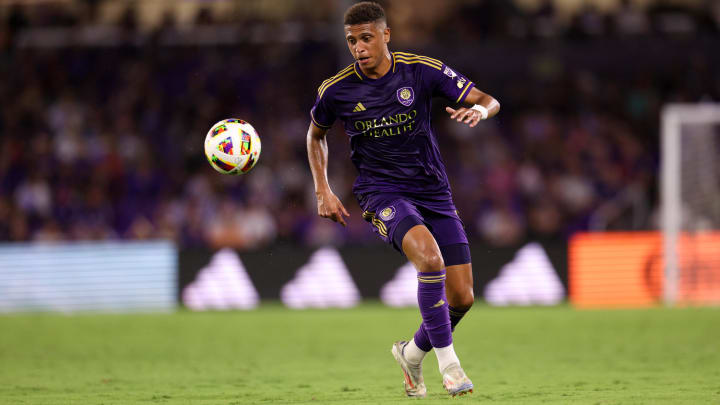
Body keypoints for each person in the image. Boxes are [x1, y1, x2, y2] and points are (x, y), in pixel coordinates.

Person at [306, 1, 499, 398]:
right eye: (351, 41)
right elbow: (315, 135)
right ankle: (451, 367)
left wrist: (479, 112)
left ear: (385, 35)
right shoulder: (336, 90)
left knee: (462, 298)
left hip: (433, 190)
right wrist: (322, 188)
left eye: (366, 38)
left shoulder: (421, 70)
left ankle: (411, 355)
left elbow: (487, 99)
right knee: (430, 260)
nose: (358, 47)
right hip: (381, 193)